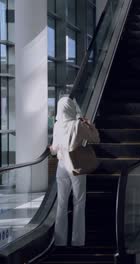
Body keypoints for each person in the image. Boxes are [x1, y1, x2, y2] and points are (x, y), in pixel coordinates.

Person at [50, 97, 100, 246]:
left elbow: (53, 151)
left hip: (61, 167)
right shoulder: (77, 124)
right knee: (79, 202)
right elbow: (96, 139)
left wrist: (51, 149)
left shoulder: (57, 125)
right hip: (76, 166)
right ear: (71, 107)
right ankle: (77, 241)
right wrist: (90, 126)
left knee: (61, 204)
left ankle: (59, 241)